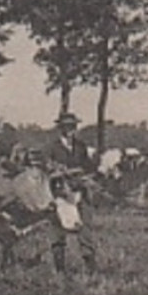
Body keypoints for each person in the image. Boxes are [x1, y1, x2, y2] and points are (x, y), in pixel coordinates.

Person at [45, 112, 97, 274]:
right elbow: (45, 170)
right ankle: (60, 269)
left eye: (73, 126)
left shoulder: (81, 146)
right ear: (60, 128)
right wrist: (60, 173)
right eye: (66, 126)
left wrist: (85, 173)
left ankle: (90, 268)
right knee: (58, 230)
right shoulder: (51, 147)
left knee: (85, 228)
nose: (70, 129)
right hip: (60, 193)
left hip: (79, 191)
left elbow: (88, 167)